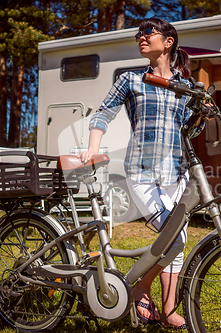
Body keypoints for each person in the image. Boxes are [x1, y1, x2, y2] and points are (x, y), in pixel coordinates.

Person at [78, 18, 203, 329]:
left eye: (148, 32)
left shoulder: (183, 86)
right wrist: (93, 147)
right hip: (143, 172)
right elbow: (104, 112)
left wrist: (202, 111)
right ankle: (140, 289)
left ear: (169, 41)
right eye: (139, 34)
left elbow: (191, 127)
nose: (141, 37)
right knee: (175, 238)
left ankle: (169, 308)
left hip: (177, 172)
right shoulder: (132, 80)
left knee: (176, 241)